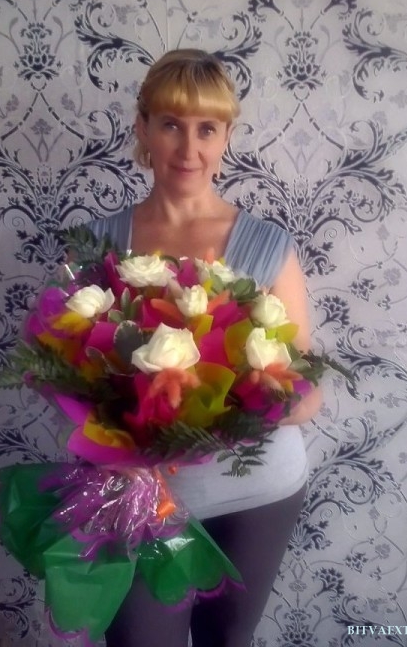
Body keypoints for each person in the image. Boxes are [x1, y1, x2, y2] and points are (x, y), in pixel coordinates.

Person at [87, 49, 323, 647]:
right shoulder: (101, 241)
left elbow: (306, 393)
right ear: (143, 128)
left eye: (207, 129)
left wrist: (219, 410)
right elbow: (74, 375)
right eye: (171, 124)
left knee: (226, 642)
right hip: (142, 495)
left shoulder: (267, 245)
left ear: (226, 137)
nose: (188, 148)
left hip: (257, 493)